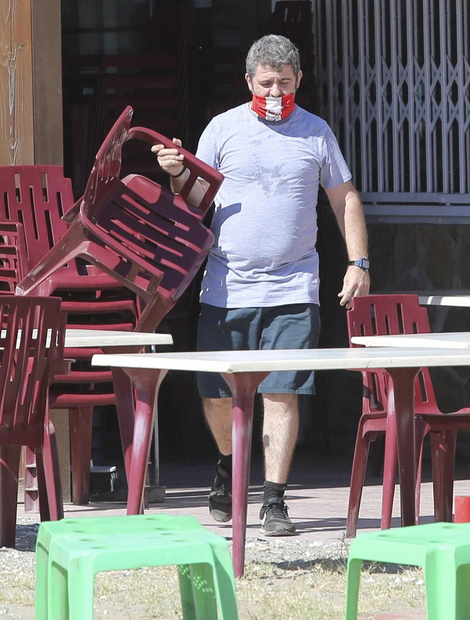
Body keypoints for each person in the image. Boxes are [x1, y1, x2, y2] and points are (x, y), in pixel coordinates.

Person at [154, 33, 369, 536]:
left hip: (294, 287)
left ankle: (274, 499)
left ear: (300, 81)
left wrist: (357, 261)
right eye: (267, 83)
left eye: (286, 83)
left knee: (281, 393)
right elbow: (192, 202)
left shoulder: (316, 133)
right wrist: (174, 173)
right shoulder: (221, 130)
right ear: (248, 81)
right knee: (216, 394)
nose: (276, 93)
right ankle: (230, 465)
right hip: (225, 287)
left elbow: (344, 198)